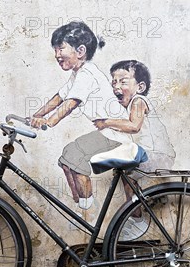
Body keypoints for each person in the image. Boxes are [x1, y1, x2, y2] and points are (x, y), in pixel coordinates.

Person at [30, 22, 129, 213]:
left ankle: (88, 210)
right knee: (66, 158)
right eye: (55, 49)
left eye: (61, 48)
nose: (57, 55)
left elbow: (70, 103)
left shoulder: (88, 74)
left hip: (116, 133)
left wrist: (48, 122)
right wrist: (36, 115)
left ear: (81, 51)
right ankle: (79, 202)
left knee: (74, 157)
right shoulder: (78, 74)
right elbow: (59, 98)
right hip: (107, 133)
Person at [93, 60, 175, 239]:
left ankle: (137, 220)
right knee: (127, 176)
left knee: (125, 168)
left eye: (123, 81)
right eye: (114, 82)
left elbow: (134, 126)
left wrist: (106, 122)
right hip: (151, 153)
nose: (116, 86)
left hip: (157, 154)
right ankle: (136, 215)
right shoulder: (131, 105)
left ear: (140, 86)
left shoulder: (138, 100)